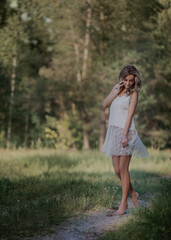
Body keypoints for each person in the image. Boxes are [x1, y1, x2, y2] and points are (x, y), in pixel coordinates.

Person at [102, 65, 150, 216]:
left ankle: (123, 205)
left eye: (131, 80)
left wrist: (124, 136)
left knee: (123, 169)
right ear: (121, 78)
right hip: (113, 131)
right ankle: (133, 193)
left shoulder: (134, 93)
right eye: (126, 80)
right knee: (117, 170)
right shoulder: (116, 89)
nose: (128, 83)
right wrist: (115, 92)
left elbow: (129, 116)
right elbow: (105, 104)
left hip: (127, 132)